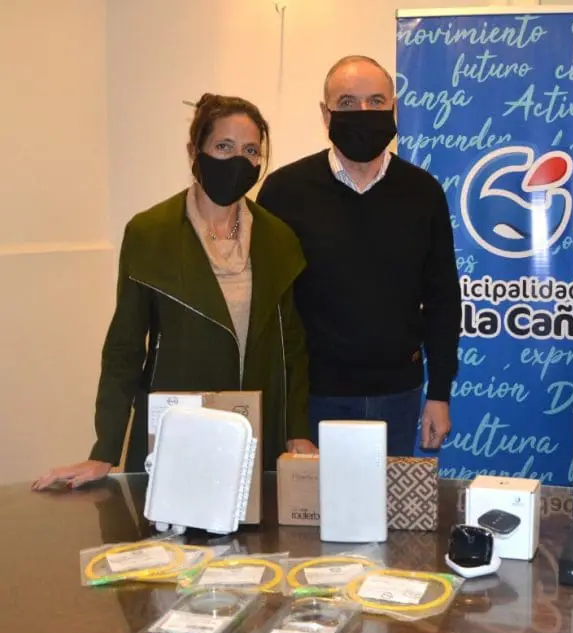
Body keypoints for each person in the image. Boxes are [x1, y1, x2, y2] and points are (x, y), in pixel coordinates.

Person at [34, 93, 315, 490]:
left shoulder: (278, 238)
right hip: (177, 431)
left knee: (255, 529)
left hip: (257, 434)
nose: (238, 160)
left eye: (251, 150)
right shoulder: (151, 233)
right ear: (193, 151)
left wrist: (297, 430)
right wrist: (105, 450)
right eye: (224, 147)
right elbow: (124, 348)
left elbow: (293, 348)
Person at [256, 55, 461, 457]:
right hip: (312, 399)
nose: (363, 113)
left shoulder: (423, 192)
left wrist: (439, 393)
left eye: (375, 101)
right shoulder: (284, 192)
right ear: (325, 114)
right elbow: (270, 308)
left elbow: (443, 300)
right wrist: (288, 411)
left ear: (394, 108)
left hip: (398, 396)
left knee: (388, 500)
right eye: (347, 103)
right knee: (309, 501)